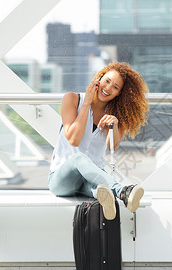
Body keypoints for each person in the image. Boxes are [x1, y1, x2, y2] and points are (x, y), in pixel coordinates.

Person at [48, 62, 149, 220]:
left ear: (118, 94)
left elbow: (112, 146)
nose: (108, 88)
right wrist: (86, 104)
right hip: (62, 180)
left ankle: (109, 203)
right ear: (99, 79)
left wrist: (114, 125)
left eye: (115, 87)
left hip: (90, 180)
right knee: (80, 159)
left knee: (101, 189)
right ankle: (123, 192)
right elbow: (73, 140)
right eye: (107, 81)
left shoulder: (116, 114)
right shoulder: (73, 99)